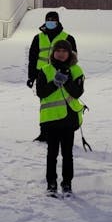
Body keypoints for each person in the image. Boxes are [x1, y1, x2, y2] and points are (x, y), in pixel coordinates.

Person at [35, 39, 85, 197]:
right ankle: (51, 183)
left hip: (69, 118)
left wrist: (67, 79)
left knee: (67, 153)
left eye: (64, 51)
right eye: (58, 51)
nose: (61, 54)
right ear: (53, 53)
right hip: (50, 119)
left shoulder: (76, 70)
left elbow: (77, 93)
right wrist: (56, 82)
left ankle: (67, 183)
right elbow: (41, 93)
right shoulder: (45, 70)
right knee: (52, 153)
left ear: (69, 53)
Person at [27, 11, 78, 141]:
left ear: (58, 21)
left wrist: (69, 74)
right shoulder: (38, 38)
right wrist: (31, 77)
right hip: (42, 76)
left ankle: (62, 132)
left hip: (62, 75)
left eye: (53, 20)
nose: (50, 22)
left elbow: (73, 58)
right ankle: (44, 133)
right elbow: (32, 59)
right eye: (48, 20)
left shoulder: (67, 38)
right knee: (46, 106)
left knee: (63, 104)